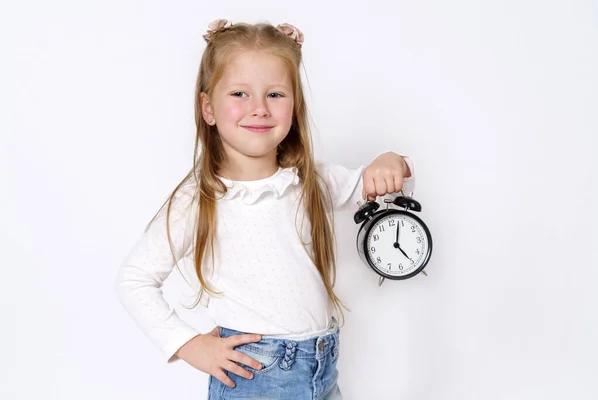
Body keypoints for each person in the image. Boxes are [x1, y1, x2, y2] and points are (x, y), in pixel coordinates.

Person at [115, 19, 415, 400]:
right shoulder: (200, 199)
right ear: (208, 108)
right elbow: (133, 280)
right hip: (256, 377)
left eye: (275, 94)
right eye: (240, 93)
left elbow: (383, 187)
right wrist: (189, 345)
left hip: (323, 368)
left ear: (295, 105)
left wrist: (391, 161)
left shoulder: (311, 182)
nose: (258, 109)